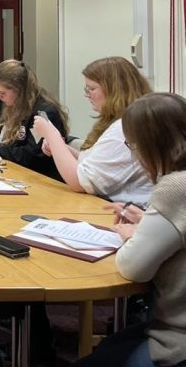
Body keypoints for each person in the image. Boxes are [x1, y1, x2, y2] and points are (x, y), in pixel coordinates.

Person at [73, 92, 186, 367]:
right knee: (111, 347)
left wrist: (132, 235)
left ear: (152, 144)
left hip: (177, 339)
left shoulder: (175, 188)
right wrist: (150, 221)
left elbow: (133, 268)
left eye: (132, 145)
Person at [34, 56, 153, 204]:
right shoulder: (120, 121)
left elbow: (78, 181)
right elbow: (94, 163)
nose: (87, 95)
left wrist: (51, 134)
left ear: (114, 90)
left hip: (127, 212)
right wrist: (62, 149)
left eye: (92, 89)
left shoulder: (124, 128)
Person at [0, 59, 68, 181]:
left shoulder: (43, 112)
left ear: (19, 90)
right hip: (14, 173)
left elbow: (31, 156)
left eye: (2, 93)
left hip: (38, 179)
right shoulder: (15, 106)